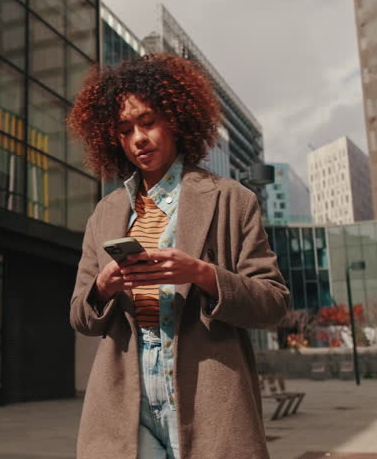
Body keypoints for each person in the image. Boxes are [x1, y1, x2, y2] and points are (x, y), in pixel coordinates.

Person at [67, 53, 290, 459]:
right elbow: (81, 316)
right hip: (124, 404)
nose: (138, 138)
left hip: (206, 396)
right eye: (125, 129)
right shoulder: (106, 214)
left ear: (175, 119)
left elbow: (273, 303)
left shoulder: (230, 200)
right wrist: (101, 289)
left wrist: (203, 273)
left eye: (148, 122)